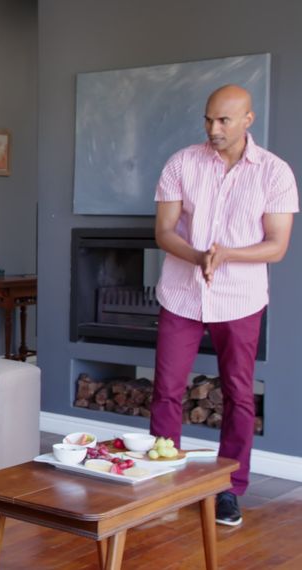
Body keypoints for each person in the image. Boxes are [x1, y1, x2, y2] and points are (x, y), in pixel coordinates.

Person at [151, 84, 297, 527]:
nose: (213, 128)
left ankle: (229, 490)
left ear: (248, 120)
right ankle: (160, 483)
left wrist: (227, 253)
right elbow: (164, 232)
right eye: (208, 119)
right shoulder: (181, 163)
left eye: (224, 120)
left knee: (238, 395)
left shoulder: (275, 173)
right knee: (167, 390)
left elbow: (276, 247)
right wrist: (197, 256)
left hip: (240, 300)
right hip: (181, 294)